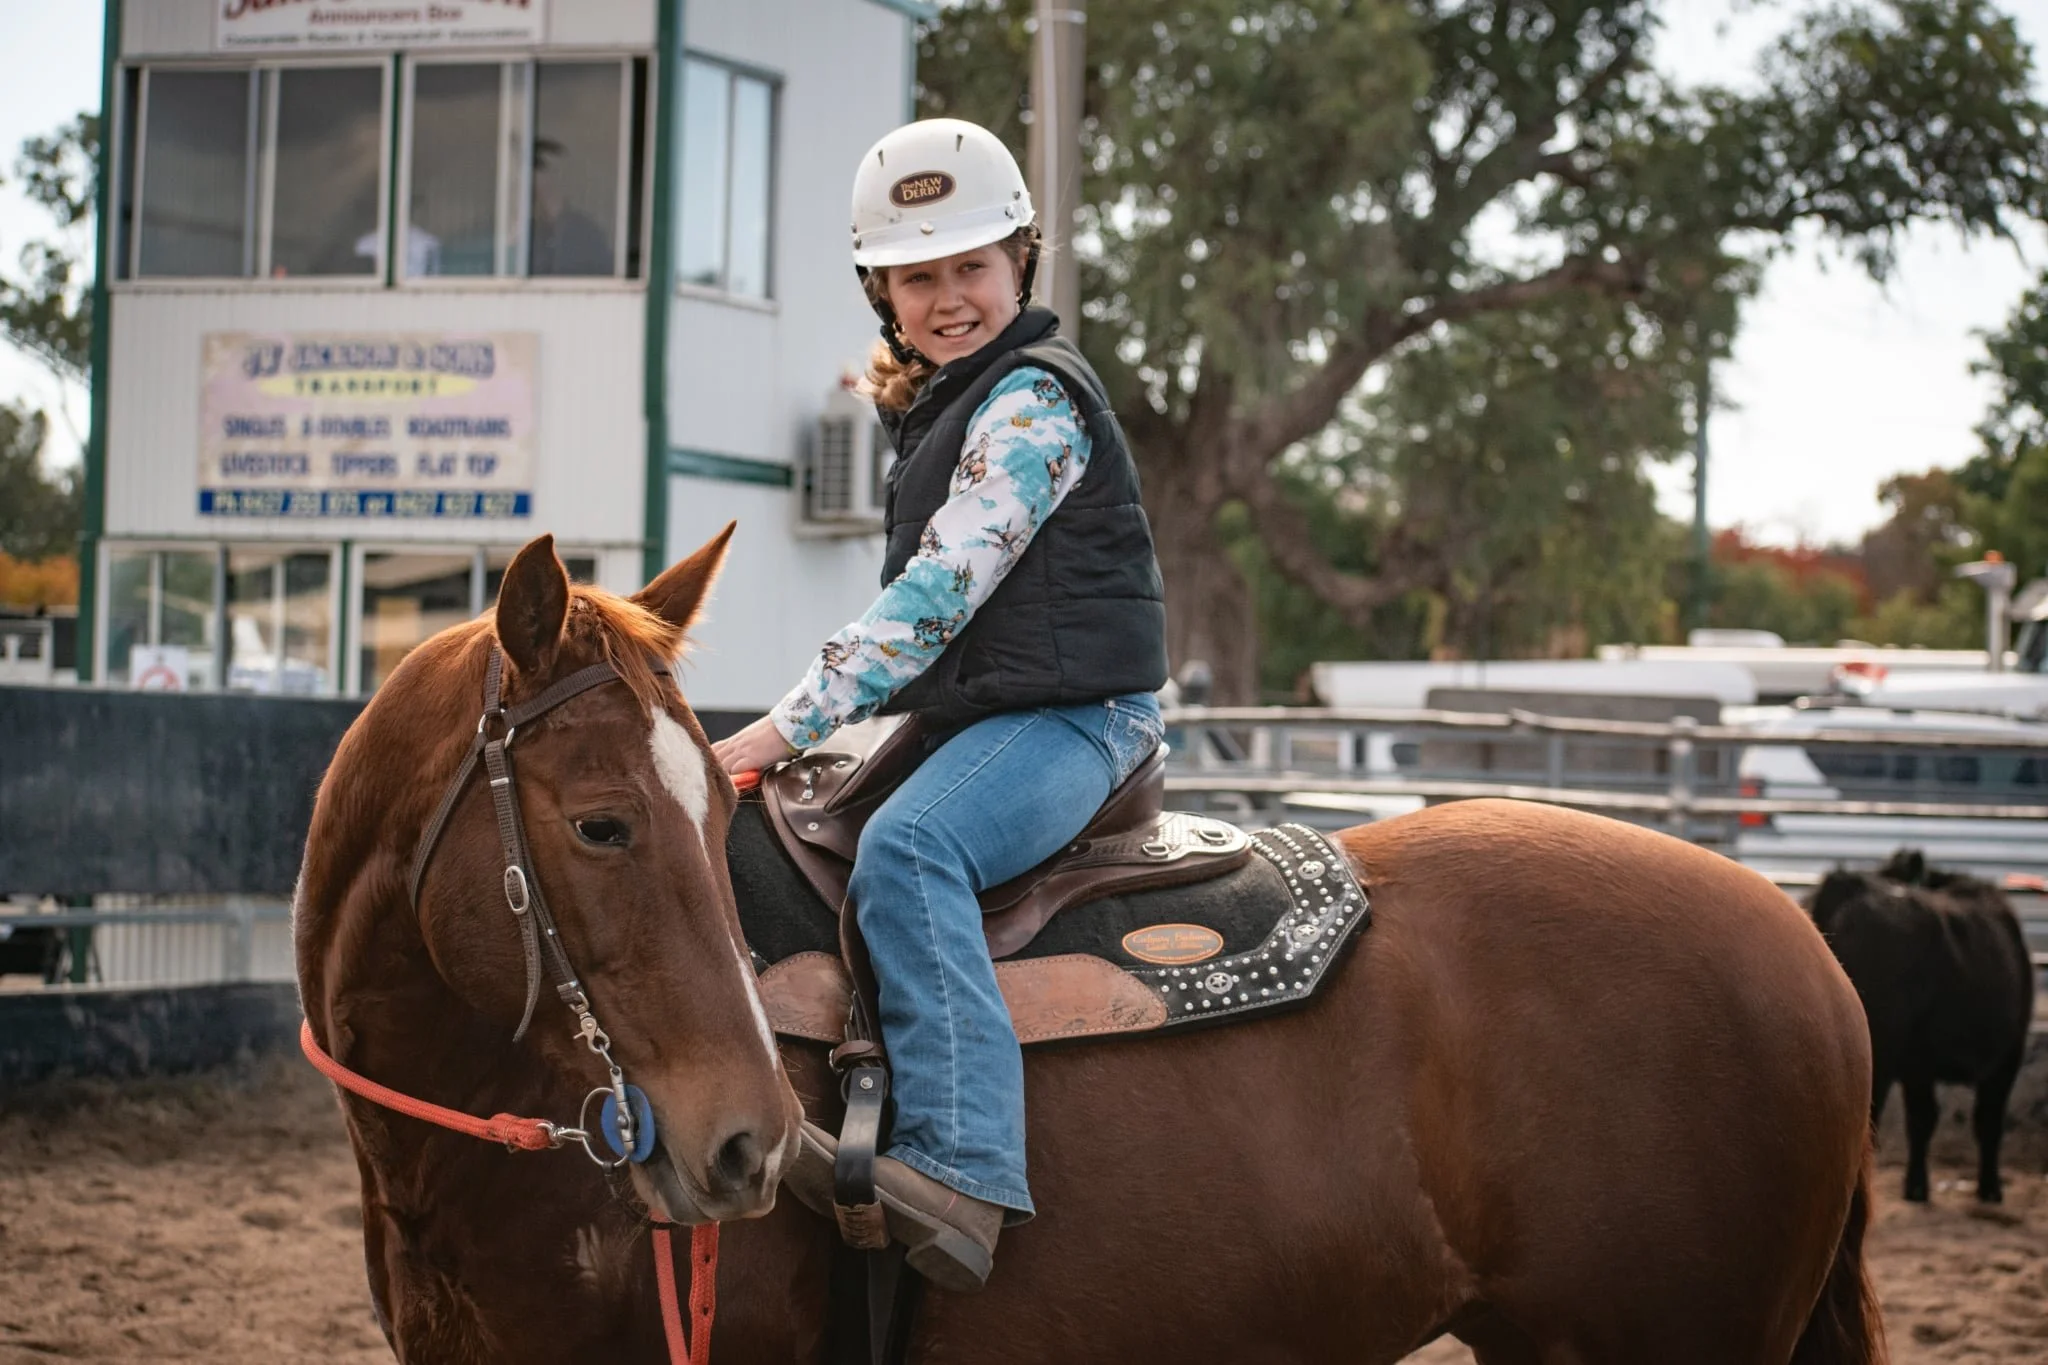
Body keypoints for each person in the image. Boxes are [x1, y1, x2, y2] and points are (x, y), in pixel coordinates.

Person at [712, 118, 1168, 1292]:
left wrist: (774, 732)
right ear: (883, 293)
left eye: (970, 266)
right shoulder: (950, 403)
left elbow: (934, 599)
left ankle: (961, 1168)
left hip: (1080, 720)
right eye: (919, 276)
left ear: (1022, 262)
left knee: (911, 850)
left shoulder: (1029, 405)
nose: (948, 297)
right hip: (996, 714)